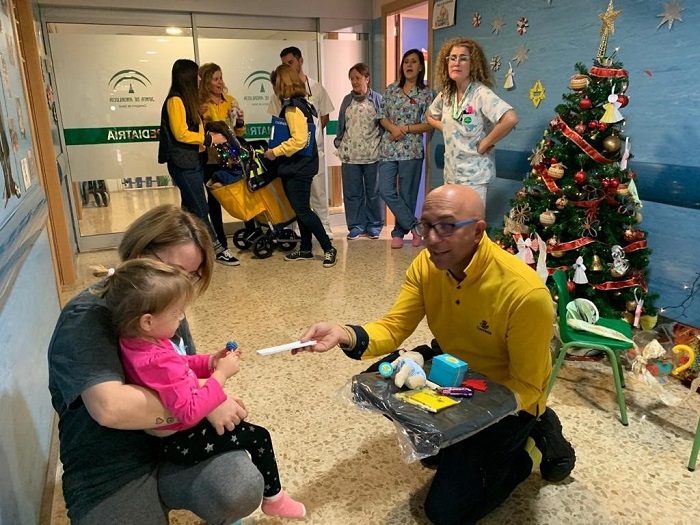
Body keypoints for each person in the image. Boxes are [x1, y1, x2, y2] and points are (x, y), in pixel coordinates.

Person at [296, 184, 576, 525]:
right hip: (453, 370)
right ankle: (457, 446)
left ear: (477, 232)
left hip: (508, 398)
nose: (431, 238)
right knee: (375, 384)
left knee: (445, 512)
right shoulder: (426, 267)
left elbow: (529, 385)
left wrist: (461, 419)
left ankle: (535, 440)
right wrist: (343, 332)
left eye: (445, 226)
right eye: (425, 225)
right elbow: (394, 327)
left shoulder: (525, 294)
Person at [48, 204, 264, 524]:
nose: (184, 286)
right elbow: (111, 407)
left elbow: (179, 370)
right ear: (140, 253)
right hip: (108, 468)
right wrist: (205, 396)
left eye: (192, 276)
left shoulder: (164, 303)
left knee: (239, 486)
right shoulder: (87, 315)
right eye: (176, 271)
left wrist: (204, 384)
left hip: (173, 444)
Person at [93, 258, 306, 519]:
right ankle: (274, 498)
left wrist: (208, 362)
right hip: (182, 440)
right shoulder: (158, 357)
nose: (181, 317)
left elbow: (178, 365)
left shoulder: (137, 343)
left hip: (167, 434)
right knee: (258, 437)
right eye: (176, 313)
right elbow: (190, 410)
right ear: (147, 321)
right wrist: (221, 375)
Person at [157, 58, 239, 266]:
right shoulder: (175, 100)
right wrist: (210, 139)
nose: (199, 79)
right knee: (201, 209)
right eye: (197, 75)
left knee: (188, 207)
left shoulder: (186, 101)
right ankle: (217, 250)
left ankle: (181, 248)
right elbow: (181, 133)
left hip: (192, 160)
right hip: (183, 162)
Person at [426, 38, 518, 204]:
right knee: (454, 223)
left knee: (471, 225)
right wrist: (448, 128)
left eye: (463, 58)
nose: (456, 63)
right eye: (452, 58)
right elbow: (430, 115)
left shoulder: (480, 93)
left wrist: (485, 143)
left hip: (475, 175)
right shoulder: (446, 94)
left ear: (473, 63)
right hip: (452, 173)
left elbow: (510, 118)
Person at [264, 64, 337, 268]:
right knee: (301, 209)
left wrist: (274, 152)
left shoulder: (292, 108)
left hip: (297, 167)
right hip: (303, 164)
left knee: (303, 211)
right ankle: (305, 249)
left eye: (275, 84)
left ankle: (328, 248)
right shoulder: (303, 103)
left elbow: (298, 140)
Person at [377, 48, 434, 250]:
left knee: (408, 193)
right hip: (388, 147)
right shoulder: (391, 89)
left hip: (411, 149)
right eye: (406, 62)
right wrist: (393, 128)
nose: (409, 65)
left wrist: (407, 128)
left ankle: (398, 232)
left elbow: (430, 123)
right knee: (384, 188)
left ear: (420, 67)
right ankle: (415, 226)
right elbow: (381, 115)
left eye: (413, 62)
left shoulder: (426, 94)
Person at [199, 61, 252, 263]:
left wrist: (240, 120)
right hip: (210, 158)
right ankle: (220, 243)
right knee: (214, 202)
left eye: (221, 77)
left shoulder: (230, 101)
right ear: (206, 82)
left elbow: (239, 132)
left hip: (232, 157)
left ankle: (251, 233)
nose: (220, 82)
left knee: (242, 193)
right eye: (215, 78)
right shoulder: (201, 104)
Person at [334, 63, 384, 240]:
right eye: (352, 79)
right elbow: (342, 124)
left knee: (374, 192)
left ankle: (374, 225)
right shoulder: (347, 101)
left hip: (373, 155)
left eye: (358, 78)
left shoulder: (377, 100)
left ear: (367, 78)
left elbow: (383, 125)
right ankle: (356, 225)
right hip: (350, 156)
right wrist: (338, 142)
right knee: (352, 193)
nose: (354, 82)